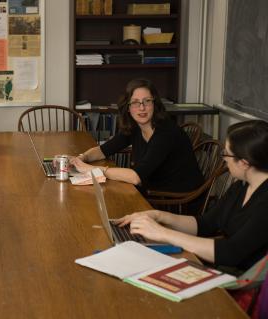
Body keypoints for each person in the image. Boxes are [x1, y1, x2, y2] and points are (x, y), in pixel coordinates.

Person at [117, 120, 268, 273]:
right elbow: (205, 224)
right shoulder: (242, 186)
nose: (224, 158)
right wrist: (159, 216)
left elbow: (230, 253)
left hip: (244, 283)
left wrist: (162, 233)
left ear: (244, 163)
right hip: (224, 267)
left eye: (227, 154)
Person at [70, 78, 204, 193]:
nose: (141, 108)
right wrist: (82, 158)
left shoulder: (166, 132)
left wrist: (91, 170)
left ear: (155, 104)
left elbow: (136, 177)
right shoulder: (134, 127)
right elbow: (103, 150)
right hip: (152, 189)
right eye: (135, 102)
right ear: (128, 107)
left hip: (176, 200)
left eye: (147, 101)